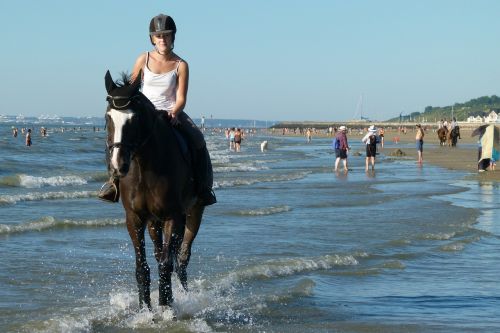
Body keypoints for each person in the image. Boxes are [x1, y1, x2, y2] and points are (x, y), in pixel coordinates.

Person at [98, 13, 216, 206]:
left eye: (166, 35)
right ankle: (113, 183)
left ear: (172, 37)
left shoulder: (181, 65)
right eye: (158, 36)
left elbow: (181, 98)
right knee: (116, 140)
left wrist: (175, 112)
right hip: (144, 112)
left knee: (198, 139)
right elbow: (132, 89)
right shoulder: (143, 59)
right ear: (152, 38)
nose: (162, 39)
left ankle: (203, 188)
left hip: (170, 112)